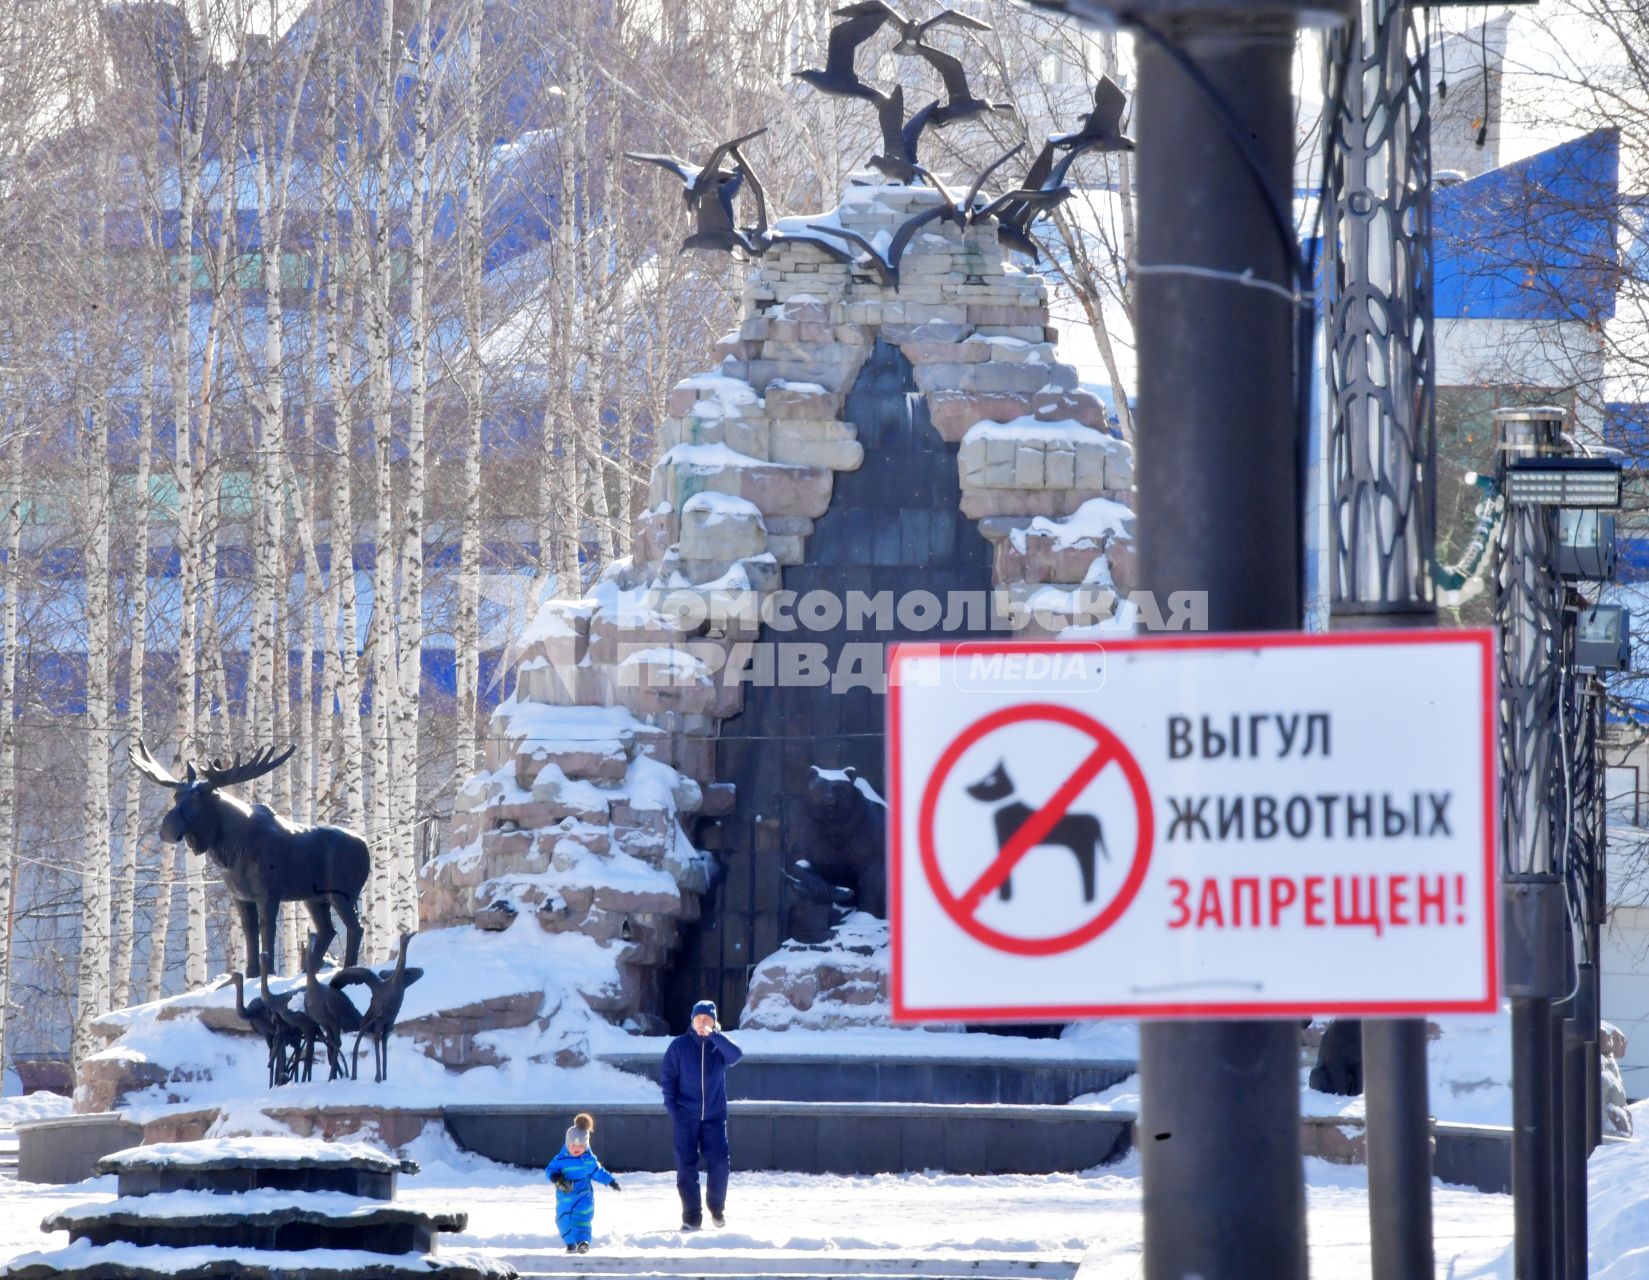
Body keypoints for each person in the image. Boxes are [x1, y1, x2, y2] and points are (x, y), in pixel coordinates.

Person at [660, 998, 744, 1231]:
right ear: (692, 1021)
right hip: (686, 1117)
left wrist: (715, 1036)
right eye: (698, 1019)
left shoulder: (719, 1046)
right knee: (686, 1168)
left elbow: (736, 1055)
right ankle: (691, 1215)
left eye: (707, 1019)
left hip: (714, 1117)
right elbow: (668, 1081)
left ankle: (716, 1207)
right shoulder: (679, 1046)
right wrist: (674, 1111)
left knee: (719, 1163)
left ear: (714, 1022)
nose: (702, 1023)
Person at [544, 1111, 621, 1253]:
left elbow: (598, 1172)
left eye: (580, 1146)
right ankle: (570, 1243)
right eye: (573, 1145)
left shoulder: (588, 1160)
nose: (576, 1149)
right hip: (565, 1195)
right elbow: (550, 1170)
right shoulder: (561, 1159)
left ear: (586, 1145)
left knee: (582, 1218)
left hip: (584, 1195)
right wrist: (556, 1177)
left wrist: (610, 1181)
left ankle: (583, 1241)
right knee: (563, 1219)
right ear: (567, 1144)